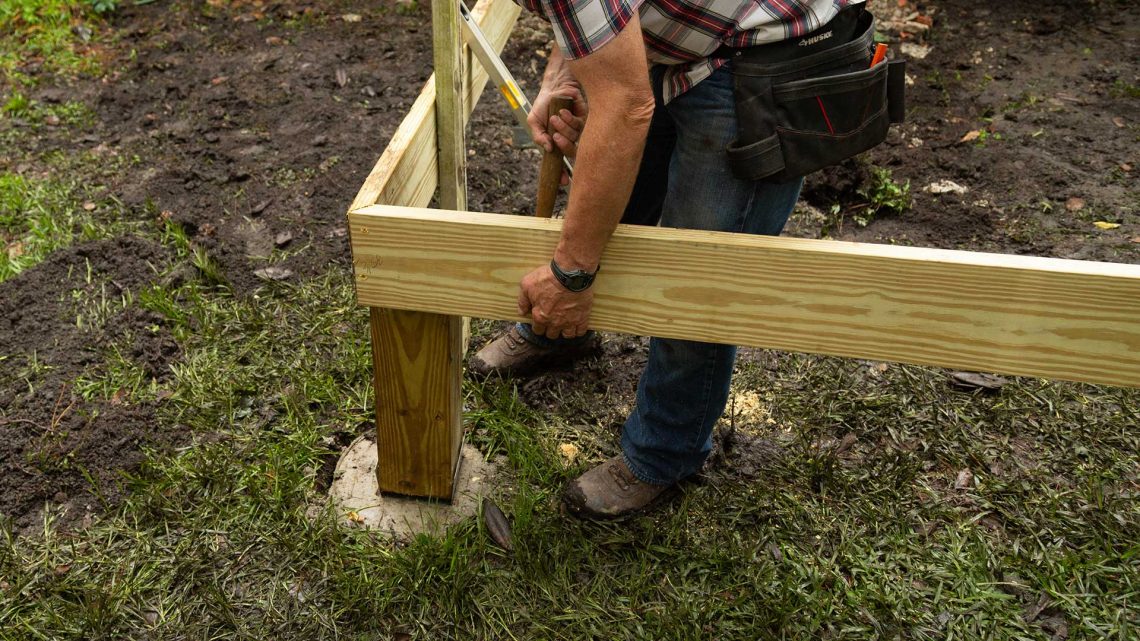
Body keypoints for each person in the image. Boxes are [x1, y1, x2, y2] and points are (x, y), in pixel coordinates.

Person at [471, 0, 869, 519]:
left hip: (770, 49)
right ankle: (559, 331)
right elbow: (593, 19)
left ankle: (665, 451)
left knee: (699, 273)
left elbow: (626, 106)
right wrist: (563, 75)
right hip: (694, 37)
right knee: (619, 194)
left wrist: (570, 275)